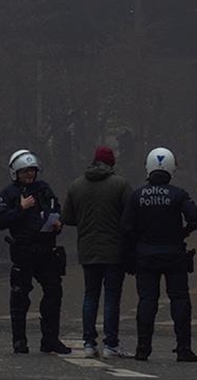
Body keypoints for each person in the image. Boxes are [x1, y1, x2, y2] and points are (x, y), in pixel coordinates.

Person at [121, 147, 197, 362]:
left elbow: (126, 226)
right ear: (171, 168)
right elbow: (196, 218)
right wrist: (182, 233)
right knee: (179, 299)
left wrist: (136, 245)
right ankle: (184, 348)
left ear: (148, 168)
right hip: (174, 254)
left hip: (145, 255)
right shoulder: (179, 194)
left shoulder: (137, 195)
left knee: (147, 300)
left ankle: (143, 349)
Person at [0, 149, 72, 355]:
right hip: (24, 250)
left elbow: (56, 209)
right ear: (15, 173)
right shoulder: (9, 194)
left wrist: (58, 223)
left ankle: (50, 339)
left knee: (54, 292)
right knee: (19, 296)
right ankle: (19, 341)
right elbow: (0, 220)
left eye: (32, 171)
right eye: (25, 171)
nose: (29, 175)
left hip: (46, 250)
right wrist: (21, 208)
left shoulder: (44, 189)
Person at [61, 145, 133, 359]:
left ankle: (89, 343)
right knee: (112, 297)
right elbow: (131, 215)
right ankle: (111, 344)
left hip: (87, 249)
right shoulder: (120, 185)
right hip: (114, 250)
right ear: (112, 163)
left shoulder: (77, 186)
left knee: (90, 295)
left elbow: (67, 217)